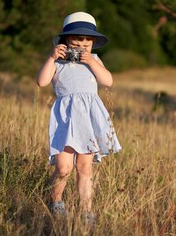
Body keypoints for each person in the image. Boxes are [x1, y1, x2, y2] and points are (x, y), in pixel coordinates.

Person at [37, 12, 121, 224]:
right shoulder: (58, 63)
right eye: (76, 44)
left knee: (85, 167)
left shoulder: (94, 60)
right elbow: (42, 82)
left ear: (93, 43)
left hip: (88, 120)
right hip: (65, 119)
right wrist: (51, 57)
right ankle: (55, 202)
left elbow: (108, 81)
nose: (82, 49)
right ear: (66, 43)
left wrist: (92, 62)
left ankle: (86, 213)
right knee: (64, 168)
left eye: (87, 45)